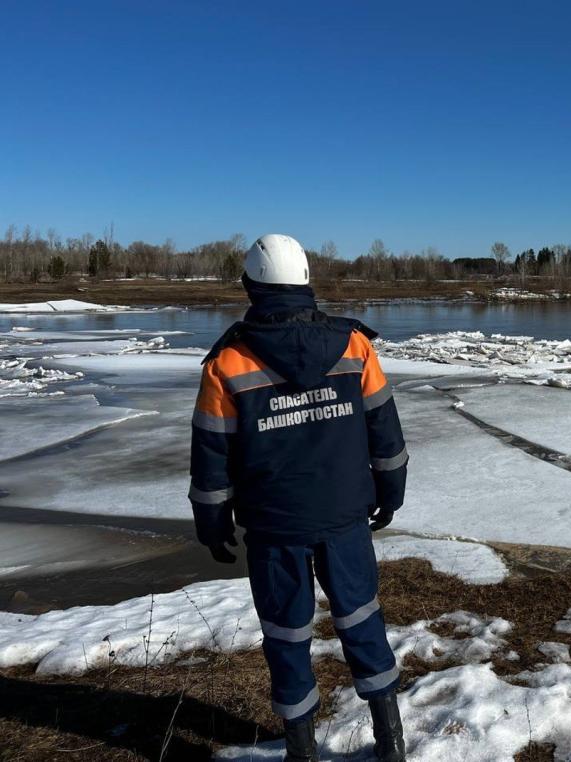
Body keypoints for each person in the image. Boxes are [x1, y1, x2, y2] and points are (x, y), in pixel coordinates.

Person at [189, 234, 409, 761]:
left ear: (249, 286)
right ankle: (391, 743)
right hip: (344, 517)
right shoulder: (354, 345)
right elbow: (385, 431)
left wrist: (212, 521)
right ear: (307, 281)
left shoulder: (228, 362)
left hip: (273, 526)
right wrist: (391, 492)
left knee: (287, 638)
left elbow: (212, 452)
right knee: (362, 621)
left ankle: (302, 751)